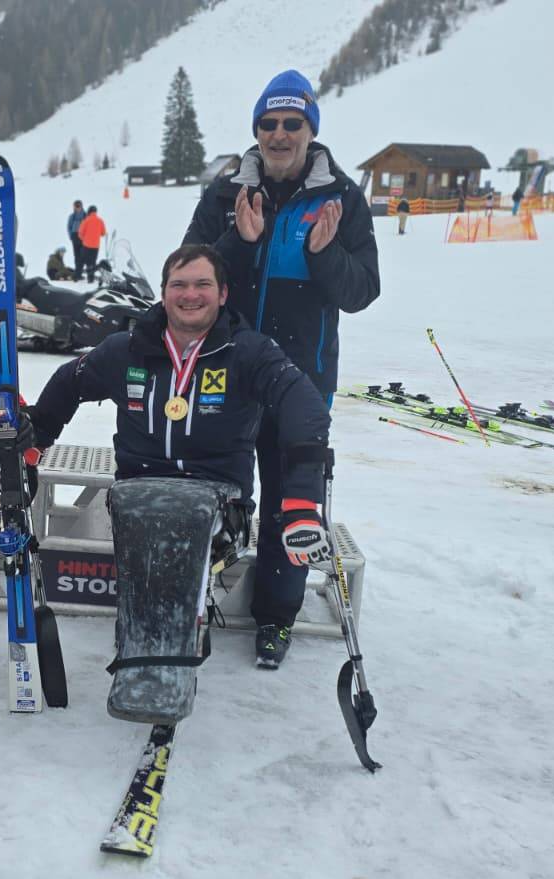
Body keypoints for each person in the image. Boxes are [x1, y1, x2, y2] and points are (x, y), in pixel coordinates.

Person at [27, 244, 334, 668]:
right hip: (140, 494)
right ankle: (143, 635)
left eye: (202, 284)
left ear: (223, 293)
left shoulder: (250, 353)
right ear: (164, 292)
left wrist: (301, 497)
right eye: (179, 285)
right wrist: (35, 440)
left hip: (218, 498)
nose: (190, 294)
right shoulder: (126, 350)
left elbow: (306, 407)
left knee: (185, 530)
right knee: (148, 530)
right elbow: (69, 382)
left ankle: (200, 632)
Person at [181, 68, 379, 665]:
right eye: (269, 123)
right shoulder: (226, 194)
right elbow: (190, 278)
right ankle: (193, 600)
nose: (280, 134)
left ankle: (275, 618)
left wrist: (324, 255)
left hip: (301, 383)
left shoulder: (341, 198)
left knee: (292, 502)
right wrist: (238, 244)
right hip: (227, 372)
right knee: (211, 489)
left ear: (310, 129)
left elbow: (362, 291)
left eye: (293, 123)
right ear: (257, 131)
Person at [76, 204, 107, 280]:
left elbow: (80, 233)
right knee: (92, 262)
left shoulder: (86, 220)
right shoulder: (100, 221)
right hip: (96, 246)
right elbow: (103, 233)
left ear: (89, 211)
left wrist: (84, 239)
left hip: (86, 245)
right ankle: (91, 278)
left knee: (82, 261)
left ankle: (77, 276)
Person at [67, 200, 87, 280]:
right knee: (77, 256)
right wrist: (71, 236)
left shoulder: (85, 216)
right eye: (76, 206)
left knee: (83, 256)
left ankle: (79, 272)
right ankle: (78, 274)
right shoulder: (72, 216)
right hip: (75, 236)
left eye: (79, 206)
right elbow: (69, 227)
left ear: (81, 206)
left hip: (83, 237)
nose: (77, 208)